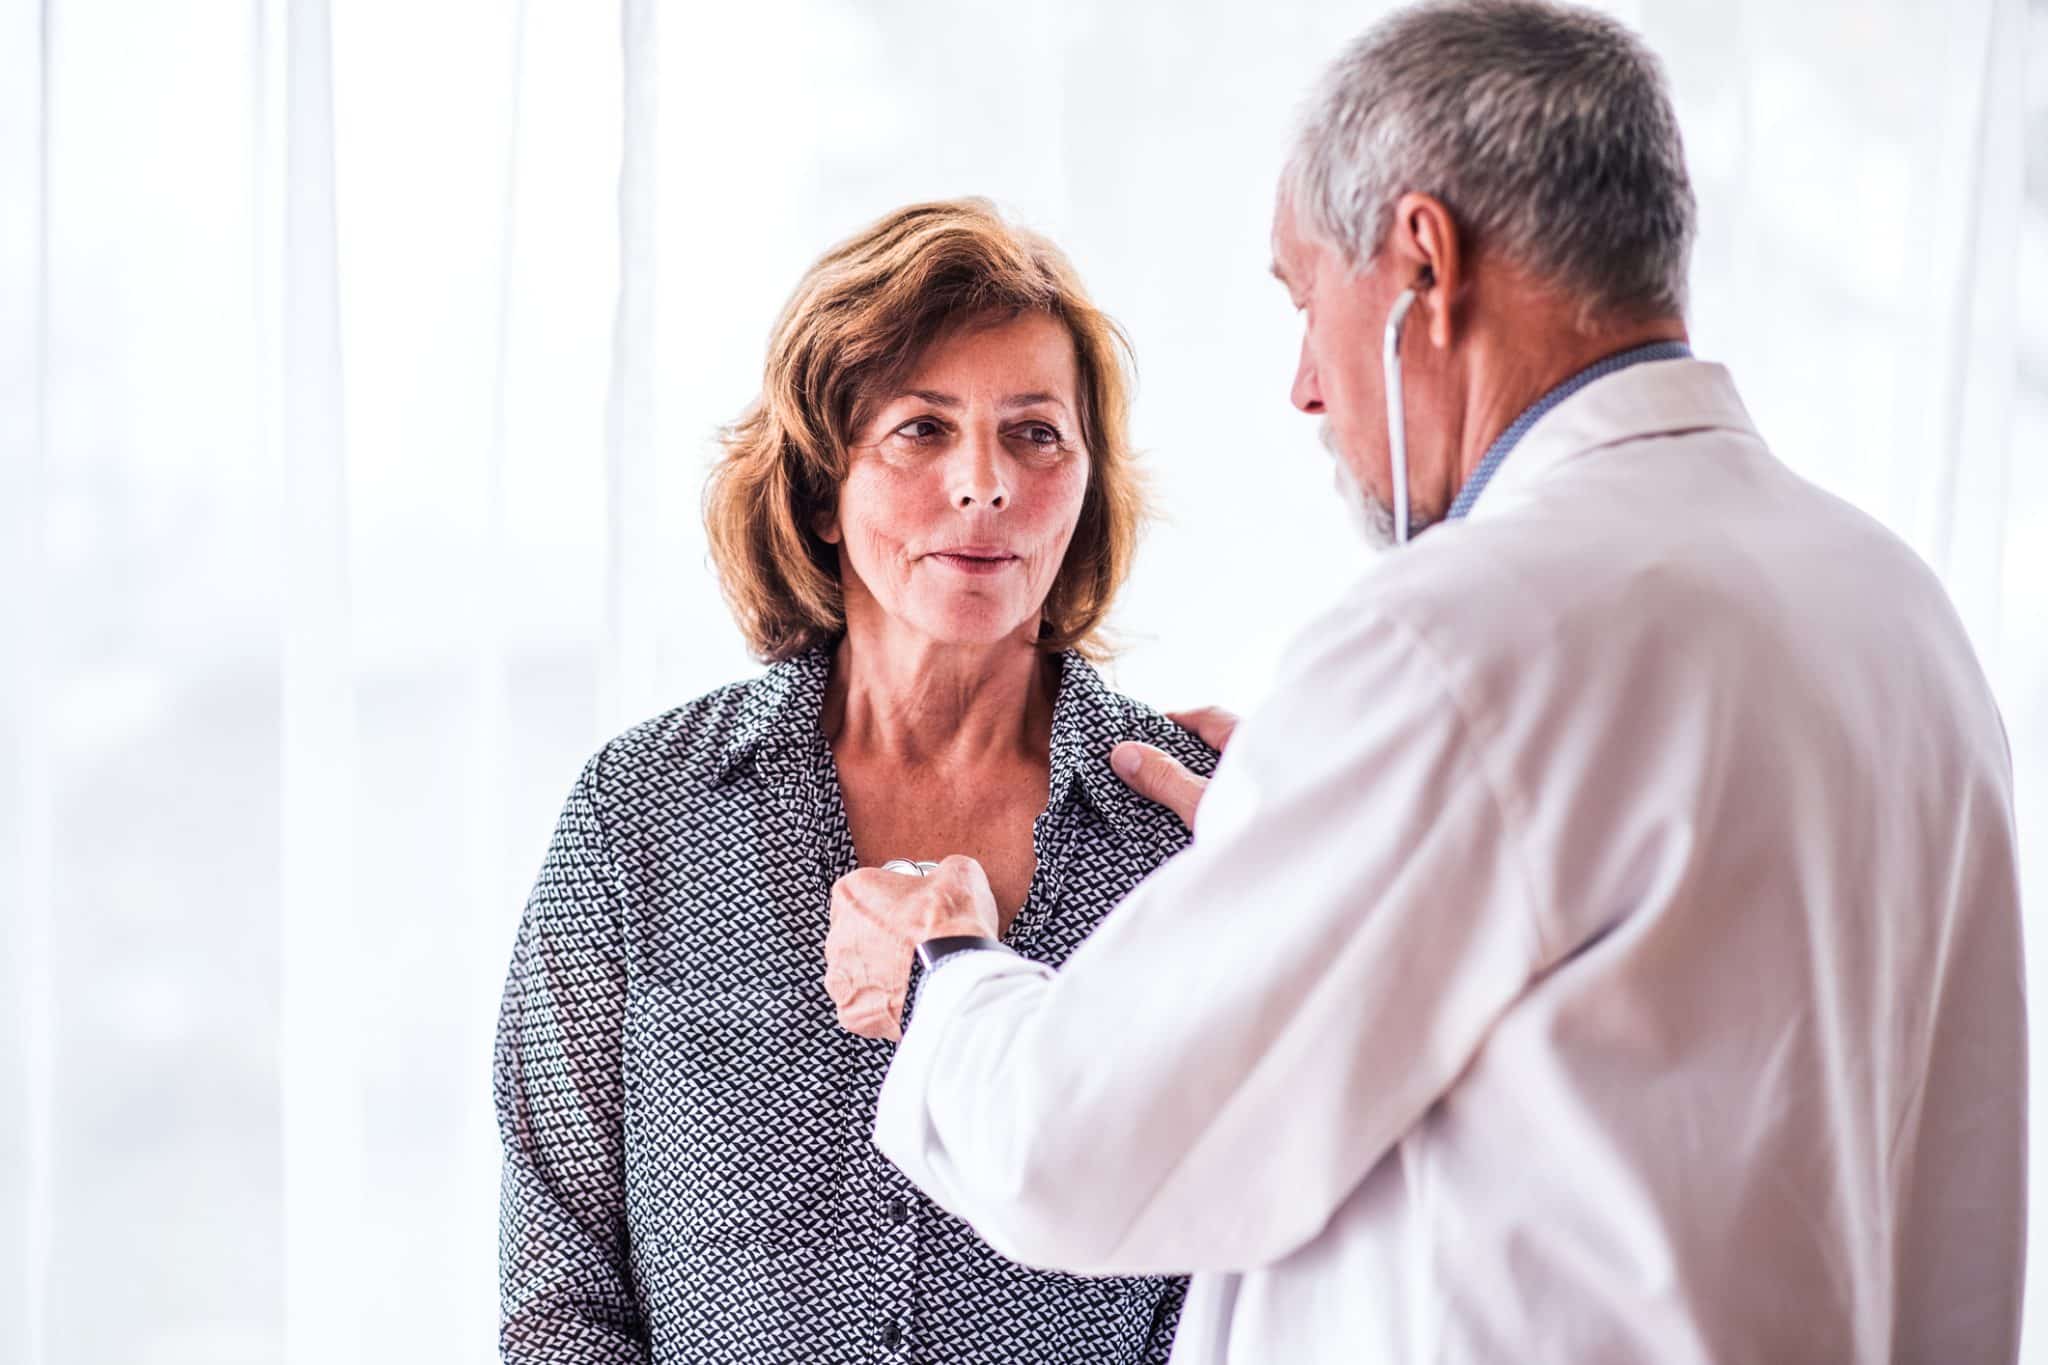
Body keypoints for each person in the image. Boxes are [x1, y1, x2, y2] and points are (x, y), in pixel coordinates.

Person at [822, 3, 2028, 1362]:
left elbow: (1077, 1146)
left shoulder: (1460, 643)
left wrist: (944, 971)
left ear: (1422, 262)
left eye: (1302, 298)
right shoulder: (1892, 610)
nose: (1302, 388)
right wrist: (1319, 839)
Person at [493, 198, 1213, 1363]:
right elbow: (560, 1289)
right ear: (822, 489)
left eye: (1035, 433)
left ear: (1084, 488)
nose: (983, 483)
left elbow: (1229, 1273)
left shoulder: (1185, 833)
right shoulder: (638, 815)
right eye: (920, 430)